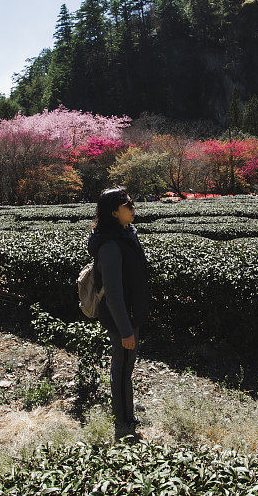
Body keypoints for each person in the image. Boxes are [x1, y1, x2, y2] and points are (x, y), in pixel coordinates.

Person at [87, 187, 150, 441]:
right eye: (128, 205)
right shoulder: (111, 246)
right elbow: (113, 294)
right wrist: (125, 330)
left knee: (126, 366)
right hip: (121, 317)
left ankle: (126, 410)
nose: (133, 208)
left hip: (131, 313)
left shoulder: (125, 234)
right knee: (122, 367)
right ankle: (124, 421)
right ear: (114, 212)